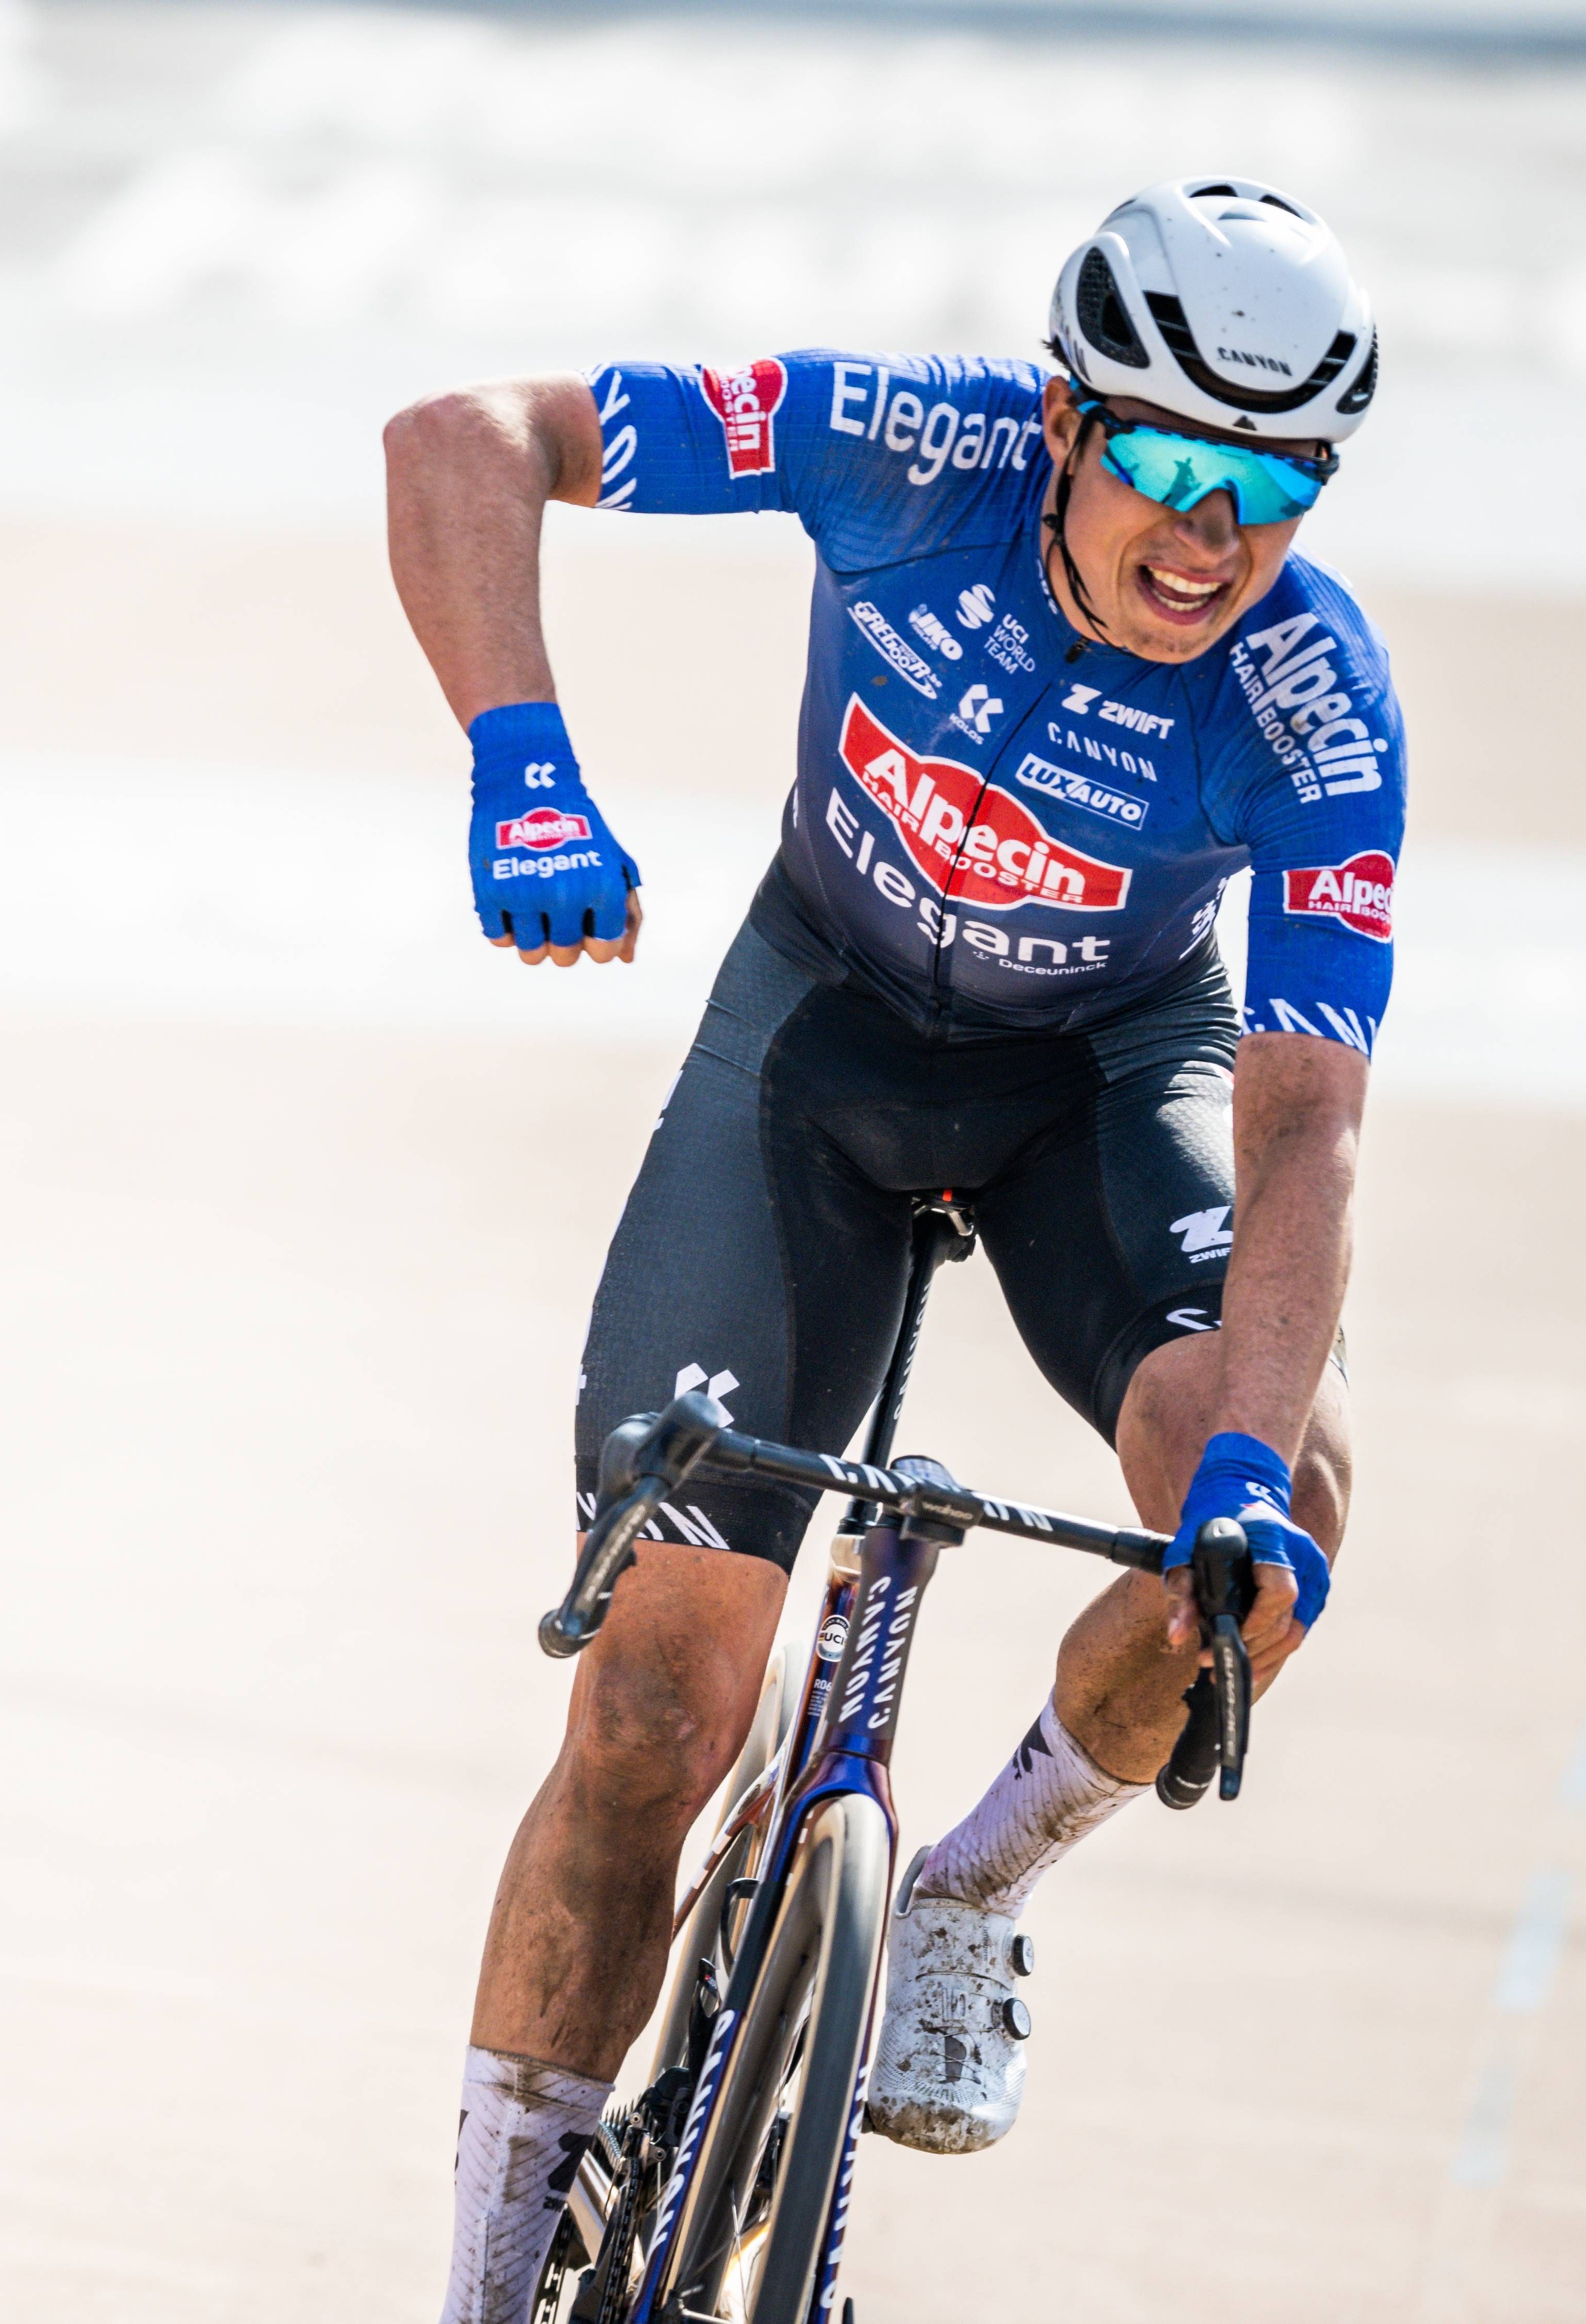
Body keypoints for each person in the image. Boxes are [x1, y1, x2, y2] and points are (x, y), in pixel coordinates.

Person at [381, 178, 1397, 2320]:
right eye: (1175, 466)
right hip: (813, 1040)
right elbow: (464, 436)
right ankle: (480, 2283)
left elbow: (1302, 1119)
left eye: (1275, 487)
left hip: (1096, 1078)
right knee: (651, 1712)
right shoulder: (903, 443)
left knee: (1280, 1509)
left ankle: (968, 1891)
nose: (1212, 538)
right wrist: (520, 765)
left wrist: (1231, 1457)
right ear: (1061, 419)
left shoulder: (1316, 702)